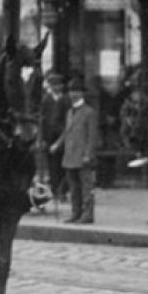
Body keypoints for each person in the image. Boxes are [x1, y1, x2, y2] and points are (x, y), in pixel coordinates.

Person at [51, 78, 99, 224]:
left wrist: (88, 154)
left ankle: (87, 214)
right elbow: (67, 131)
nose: (73, 94)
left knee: (86, 187)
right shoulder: (70, 112)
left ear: (82, 93)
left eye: (76, 91)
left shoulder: (89, 112)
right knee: (73, 187)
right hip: (70, 154)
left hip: (82, 155)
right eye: (71, 91)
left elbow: (92, 136)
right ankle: (76, 212)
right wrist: (57, 144)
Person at [40, 72, 70, 201]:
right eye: (53, 85)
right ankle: (55, 189)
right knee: (52, 165)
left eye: (58, 84)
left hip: (64, 135)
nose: (56, 87)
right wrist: (42, 137)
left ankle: (63, 190)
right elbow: (42, 119)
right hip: (49, 136)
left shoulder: (67, 99)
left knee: (64, 164)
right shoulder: (46, 100)